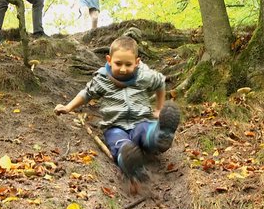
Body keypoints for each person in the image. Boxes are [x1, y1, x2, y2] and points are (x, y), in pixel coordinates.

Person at [54, 36, 181, 183]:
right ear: (108, 60)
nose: (123, 69)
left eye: (128, 64)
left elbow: (160, 82)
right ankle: (129, 160)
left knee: (147, 131)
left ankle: (160, 135)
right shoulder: (102, 79)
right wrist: (68, 107)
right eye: (118, 63)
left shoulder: (144, 76)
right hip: (115, 126)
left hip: (141, 121)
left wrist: (159, 109)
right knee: (119, 142)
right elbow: (86, 94)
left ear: (137, 62)